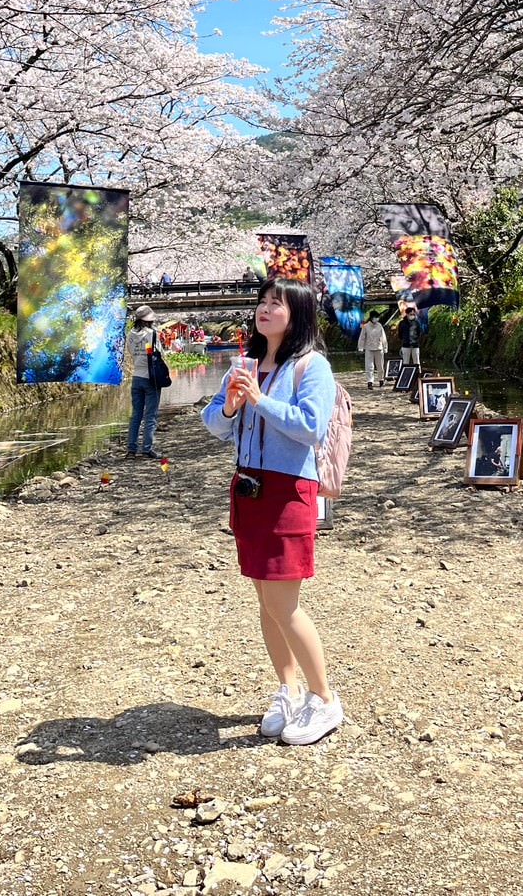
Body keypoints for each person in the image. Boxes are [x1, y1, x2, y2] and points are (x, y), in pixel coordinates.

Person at [201, 278, 343, 746]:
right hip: (248, 487)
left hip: (288, 491)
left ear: (297, 313)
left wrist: (260, 400)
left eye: (275, 304)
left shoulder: (311, 366)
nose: (264, 310)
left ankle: (324, 700)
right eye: (261, 302)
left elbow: (310, 427)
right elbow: (215, 427)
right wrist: (230, 406)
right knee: (266, 601)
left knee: (285, 602)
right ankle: (289, 689)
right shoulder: (246, 365)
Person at [125, 305, 161, 459]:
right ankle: (147, 449)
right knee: (150, 415)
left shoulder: (129, 335)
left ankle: (131, 450)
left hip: (136, 377)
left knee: (136, 415)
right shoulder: (152, 334)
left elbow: (132, 353)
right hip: (150, 378)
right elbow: (157, 353)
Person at [357, 314, 388, 389]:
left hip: (379, 348)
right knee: (369, 366)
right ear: (371, 318)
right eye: (375, 317)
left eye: (377, 317)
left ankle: (381, 380)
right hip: (369, 348)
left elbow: (383, 337)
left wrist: (385, 347)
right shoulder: (366, 326)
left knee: (380, 365)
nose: (376, 319)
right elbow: (362, 337)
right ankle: (370, 382)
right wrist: (360, 347)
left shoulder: (379, 325)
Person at [398, 303, 422, 369]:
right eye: (411, 314)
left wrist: (416, 340)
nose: (412, 315)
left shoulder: (417, 323)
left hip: (415, 345)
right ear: (407, 314)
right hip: (405, 345)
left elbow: (419, 333)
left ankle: (418, 376)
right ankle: (405, 376)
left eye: (413, 314)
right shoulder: (402, 323)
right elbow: (400, 334)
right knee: (405, 362)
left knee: (417, 362)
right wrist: (404, 340)